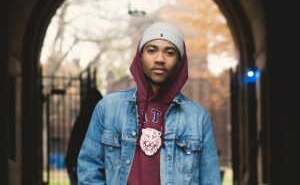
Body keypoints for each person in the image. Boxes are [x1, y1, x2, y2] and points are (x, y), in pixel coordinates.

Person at [77, 21, 221, 184]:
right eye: (152, 50)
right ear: (140, 57)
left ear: (179, 62)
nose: (159, 59)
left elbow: (211, 180)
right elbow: (89, 169)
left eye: (169, 52)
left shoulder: (198, 118)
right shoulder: (109, 108)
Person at [65, 87, 102, 185]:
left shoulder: (81, 120)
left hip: (82, 167)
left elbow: (73, 145)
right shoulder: (101, 121)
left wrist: (70, 164)